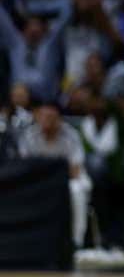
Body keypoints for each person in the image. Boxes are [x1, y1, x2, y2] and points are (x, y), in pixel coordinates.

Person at [20, 102, 91, 248]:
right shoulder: (29, 136)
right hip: (39, 181)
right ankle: (30, 241)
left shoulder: (71, 135)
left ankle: (76, 242)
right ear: (37, 117)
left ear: (59, 119)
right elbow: (25, 168)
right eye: (44, 117)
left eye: (51, 117)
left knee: (76, 191)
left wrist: (52, 178)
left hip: (69, 180)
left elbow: (75, 170)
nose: (47, 121)